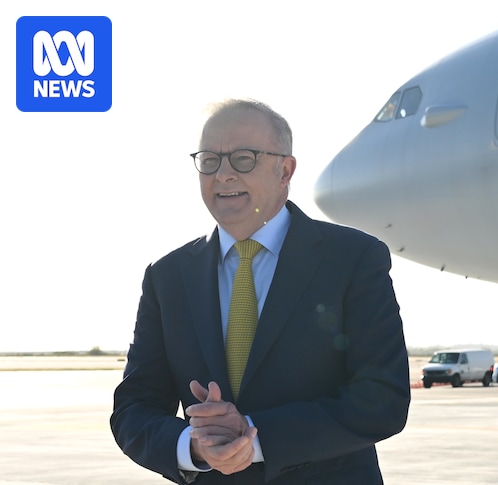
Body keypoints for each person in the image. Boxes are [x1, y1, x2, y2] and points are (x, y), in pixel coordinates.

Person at [111, 98, 411, 484]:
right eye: (209, 161)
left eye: (243, 159)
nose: (223, 175)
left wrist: (251, 438)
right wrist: (195, 446)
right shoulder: (167, 276)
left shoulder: (353, 259)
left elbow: (382, 400)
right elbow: (134, 408)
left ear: (285, 169)